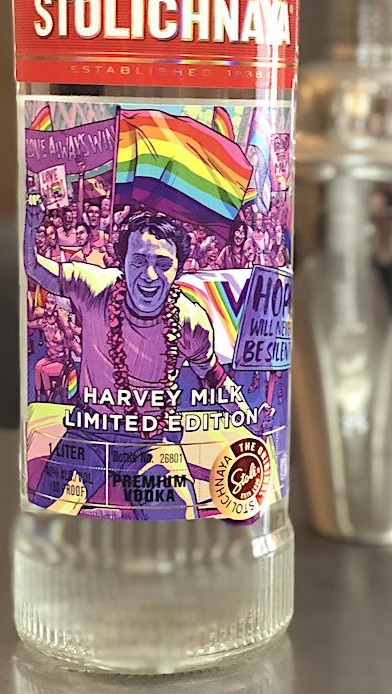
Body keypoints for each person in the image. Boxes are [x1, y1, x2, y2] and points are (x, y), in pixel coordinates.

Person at [23, 200, 271, 518]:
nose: (149, 275)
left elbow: (214, 377)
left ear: (179, 269)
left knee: (180, 513)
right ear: (122, 262)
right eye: (139, 261)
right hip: (87, 432)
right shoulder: (94, 288)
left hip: (151, 440)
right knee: (43, 507)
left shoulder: (190, 320)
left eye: (163, 263)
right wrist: (30, 228)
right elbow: (34, 267)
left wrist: (249, 417)